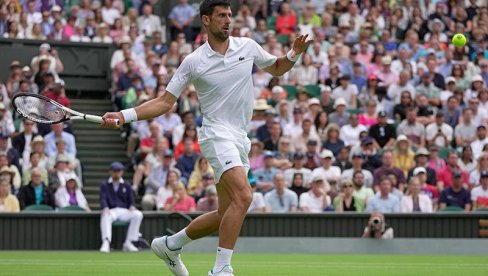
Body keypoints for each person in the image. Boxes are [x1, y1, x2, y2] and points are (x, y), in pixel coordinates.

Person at [101, 1, 312, 274]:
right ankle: (221, 269)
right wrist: (124, 114)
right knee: (245, 196)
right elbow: (165, 102)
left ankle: (170, 245)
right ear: (206, 20)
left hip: (240, 138)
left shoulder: (247, 46)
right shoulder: (193, 61)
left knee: (226, 214)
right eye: (221, 15)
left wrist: (294, 53)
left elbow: (277, 68)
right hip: (215, 134)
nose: (228, 20)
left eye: (229, 15)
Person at [99, 162, 142, 253]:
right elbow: (102, 198)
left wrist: (132, 206)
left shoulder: (126, 184)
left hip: (124, 211)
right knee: (105, 215)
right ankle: (106, 242)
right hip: (111, 211)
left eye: (118, 171)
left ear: (122, 172)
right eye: (114, 171)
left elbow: (131, 200)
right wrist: (105, 208)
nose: (116, 173)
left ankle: (129, 242)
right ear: (110, 172)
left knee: (138, 214)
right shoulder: (105, 185)